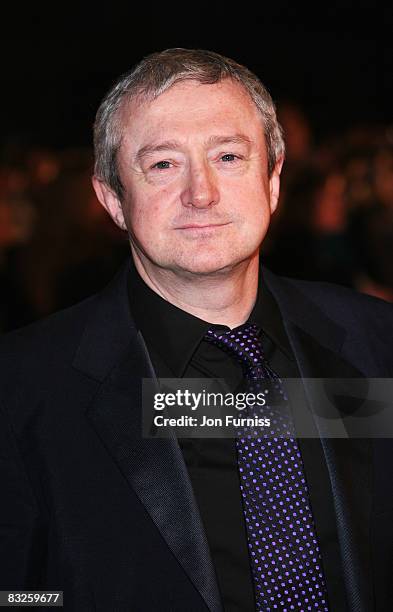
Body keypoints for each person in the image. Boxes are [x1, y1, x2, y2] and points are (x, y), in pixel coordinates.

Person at [1, 48, 392, 612]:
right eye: (163, 164)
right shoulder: (23, 389)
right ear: (112, 198)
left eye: (228, 156)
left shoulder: (376, 344)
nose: (201, 193)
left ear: (274, 179)